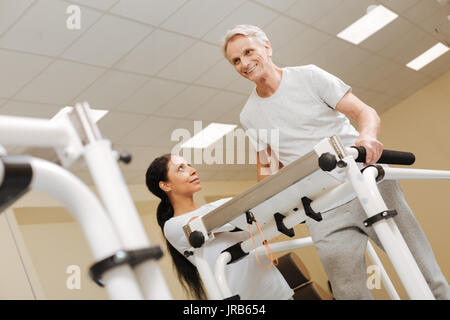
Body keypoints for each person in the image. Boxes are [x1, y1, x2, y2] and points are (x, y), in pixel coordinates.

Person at [221, 24, 450, 300]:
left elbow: (365, 113)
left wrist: (367, 139)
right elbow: (269, 170)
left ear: (267, 47)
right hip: (322, 206)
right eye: (236, 60)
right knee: (347, 293)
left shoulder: (309, 76)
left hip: (365, 183)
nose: (244, 63)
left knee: (425, 275)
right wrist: (261, 209)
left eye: (248, 52)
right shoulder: (250, 115)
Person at [145, 153, 294, 300]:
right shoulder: (173, 226)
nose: (192, 170)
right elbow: (207, 223)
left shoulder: (219, 205)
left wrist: (264, 151)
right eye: (181, 168)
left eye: (189, 165)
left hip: (280, 293)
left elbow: (264, 197)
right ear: (165, 185)